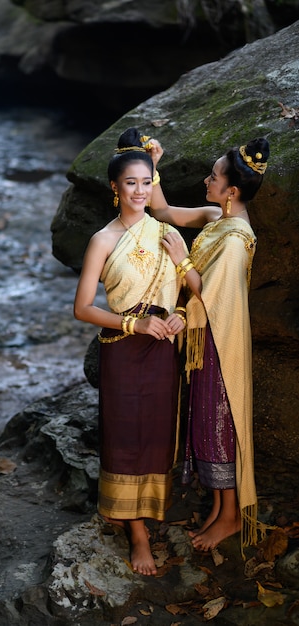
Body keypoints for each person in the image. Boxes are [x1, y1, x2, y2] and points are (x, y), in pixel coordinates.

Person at [147, 135, 270, 553]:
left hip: (221, 340)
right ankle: (220, 509)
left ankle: (232, 515)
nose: (206, 180)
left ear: (231, 191)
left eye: (214, 177)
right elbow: (162, 210)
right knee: (204, 417)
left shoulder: (236, 240)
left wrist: (182, 258)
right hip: (207, 337)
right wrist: (154, 166)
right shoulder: (217, 218)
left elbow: (208, 295)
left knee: (220, 421)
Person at [73, 128, 188, 575]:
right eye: (130, 183)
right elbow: (83, 308)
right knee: (124, 435)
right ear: (114, 188)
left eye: (146, 182)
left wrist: (180, 314)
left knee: (158, 430)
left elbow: (188, 290)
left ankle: (147, 508)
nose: (139, 191)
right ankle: (136, 531)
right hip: (123, 347)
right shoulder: (103, 239)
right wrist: (133, 322)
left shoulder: (165, 233)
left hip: (163, 345)